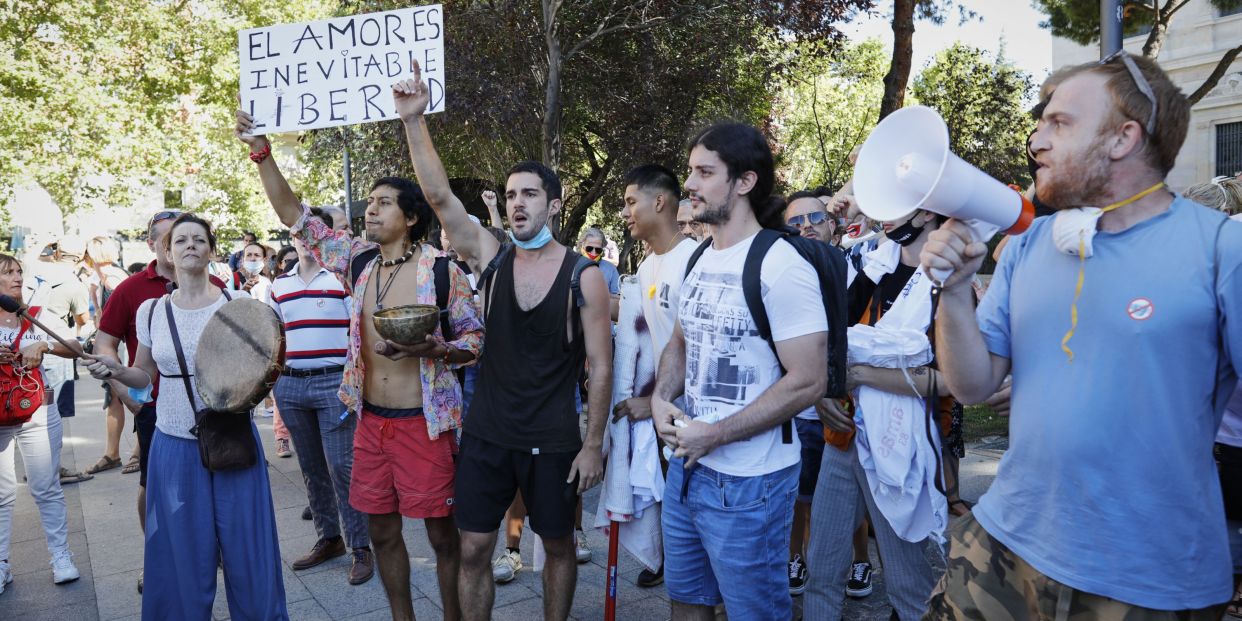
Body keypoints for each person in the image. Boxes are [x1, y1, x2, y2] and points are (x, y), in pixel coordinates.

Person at [922, 53, 1241, 618]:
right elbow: (969, 386)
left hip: (1148, 577)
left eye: (1059, 122)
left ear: (1123, 138)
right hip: (1002, 541)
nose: (1035, 140)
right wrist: (952, 292)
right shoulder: (1027, 244)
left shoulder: (1222, 250)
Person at [238, 108, 484, 621]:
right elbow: (295, 217)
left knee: (441, 534)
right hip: (369, 421)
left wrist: (434, 350)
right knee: (381, 530)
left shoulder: (442, 273)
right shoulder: (357, 262)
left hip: (427, 424)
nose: (369, 211)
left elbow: (476, 340)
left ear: (411, 217)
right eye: (369, 203)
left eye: (383, 204)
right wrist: (261, 153)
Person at [393, 63, 611, 621]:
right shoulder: (492, 257)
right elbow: (440, 198)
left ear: (554, 206)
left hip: (555, 437)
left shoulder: (582, 276)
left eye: (531, 194)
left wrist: (592, 445)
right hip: (489, 433)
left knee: (558, 547)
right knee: (473, 548)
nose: (517, 203)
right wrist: (414, 120)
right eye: (512, 194)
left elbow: (601, 366)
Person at [652, 122, 828, 620]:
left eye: (705, 172)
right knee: (686, 603)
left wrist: (717, 434)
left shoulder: (781, 264)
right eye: (691, 171)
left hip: (752, 484)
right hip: (687, 471)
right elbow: (681, 342)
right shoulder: (698, 258)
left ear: (744, 182)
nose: (690, 184)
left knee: (755, 613)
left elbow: (809, 378)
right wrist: (664, 397)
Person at [83, 214, 287, 619]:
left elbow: (264, 370)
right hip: (173, 446)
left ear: (211, 250)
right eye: (181, 241)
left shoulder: (239, 305)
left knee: (248, 551)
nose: (190, 245)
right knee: (181, 557)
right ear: (167, 253)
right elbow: (144, 376)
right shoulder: (152, 311)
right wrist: (116, 371)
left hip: (232, 440)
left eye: (199, 239)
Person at [804, 208, 952, 620]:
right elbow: (834, 339)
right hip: (844, 435)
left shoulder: (949, 282)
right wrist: (828, 391)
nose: (883, 213)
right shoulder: (871, 267)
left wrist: (862, 374)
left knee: (908, 584)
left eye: (896, 204)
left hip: (899, 447)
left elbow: (949, 381)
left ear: (925, 212)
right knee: (822, 569)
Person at [93, 210, 228, 593]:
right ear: (157, 245)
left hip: (217, 417)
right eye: (173, 239)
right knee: (155, 490)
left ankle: (209, 553)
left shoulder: (221, 289)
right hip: (156, 409)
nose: (184, 245)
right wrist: (127, 393)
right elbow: (109, 346)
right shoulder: (133, 290)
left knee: (215, 487)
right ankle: (157, 557)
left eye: (194, 238)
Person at [265, 208, 374, 585]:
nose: (306, 241)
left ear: (325, 237)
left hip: (334, 384)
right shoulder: (278, 285)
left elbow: (359, 336)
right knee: (311, 468)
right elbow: (271, 336)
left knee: (342, 466)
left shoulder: (342, 279)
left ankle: (360, 545)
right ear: (294, 239)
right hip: (291, 385)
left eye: (314, 234)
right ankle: (329, 539)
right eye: (299, 235)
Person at [614, 163, 698, 588]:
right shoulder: (647, 267)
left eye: (631, 202)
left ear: (660, 202)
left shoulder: (695, 260)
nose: (625, 212)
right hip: (670, 420)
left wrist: (654, 402)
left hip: (702, 424)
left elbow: (700, 349)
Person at [0, 253, 82, 593]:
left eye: (20, 271)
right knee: (2, 493)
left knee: (46, 487)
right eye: (8, 273)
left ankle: (60, 556)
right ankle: (2, 564)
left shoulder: (34, 314)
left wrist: (45, 345)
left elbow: (75, 346)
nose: (18, 277)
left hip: (38, 412)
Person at [82, 236, 136, 476]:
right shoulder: (107, 277)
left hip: (124, 349)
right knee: (114, 398)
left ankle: (135, 452)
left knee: (134, 399)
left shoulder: (114, 278)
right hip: (117, 348)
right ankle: (113, 453)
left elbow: (122, 319)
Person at [579, 227, 621, 320]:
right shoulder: (571, 265)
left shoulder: (610, 269)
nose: (593, 253)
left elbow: (619, 300)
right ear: (582, 245)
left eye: (598, 250)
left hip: (603, 325)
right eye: (589, 248)